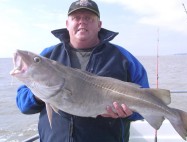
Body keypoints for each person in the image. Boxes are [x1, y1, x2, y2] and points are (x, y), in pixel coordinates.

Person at [16, 0, 149, 141]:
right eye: (76, 18)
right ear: (67, 24)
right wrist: (40, 94)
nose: (82, 22)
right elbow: (23, 105)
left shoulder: (123, 58)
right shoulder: (48, 56)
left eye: (88, 18)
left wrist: (129, 113)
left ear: (99, 25)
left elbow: (146, 105)